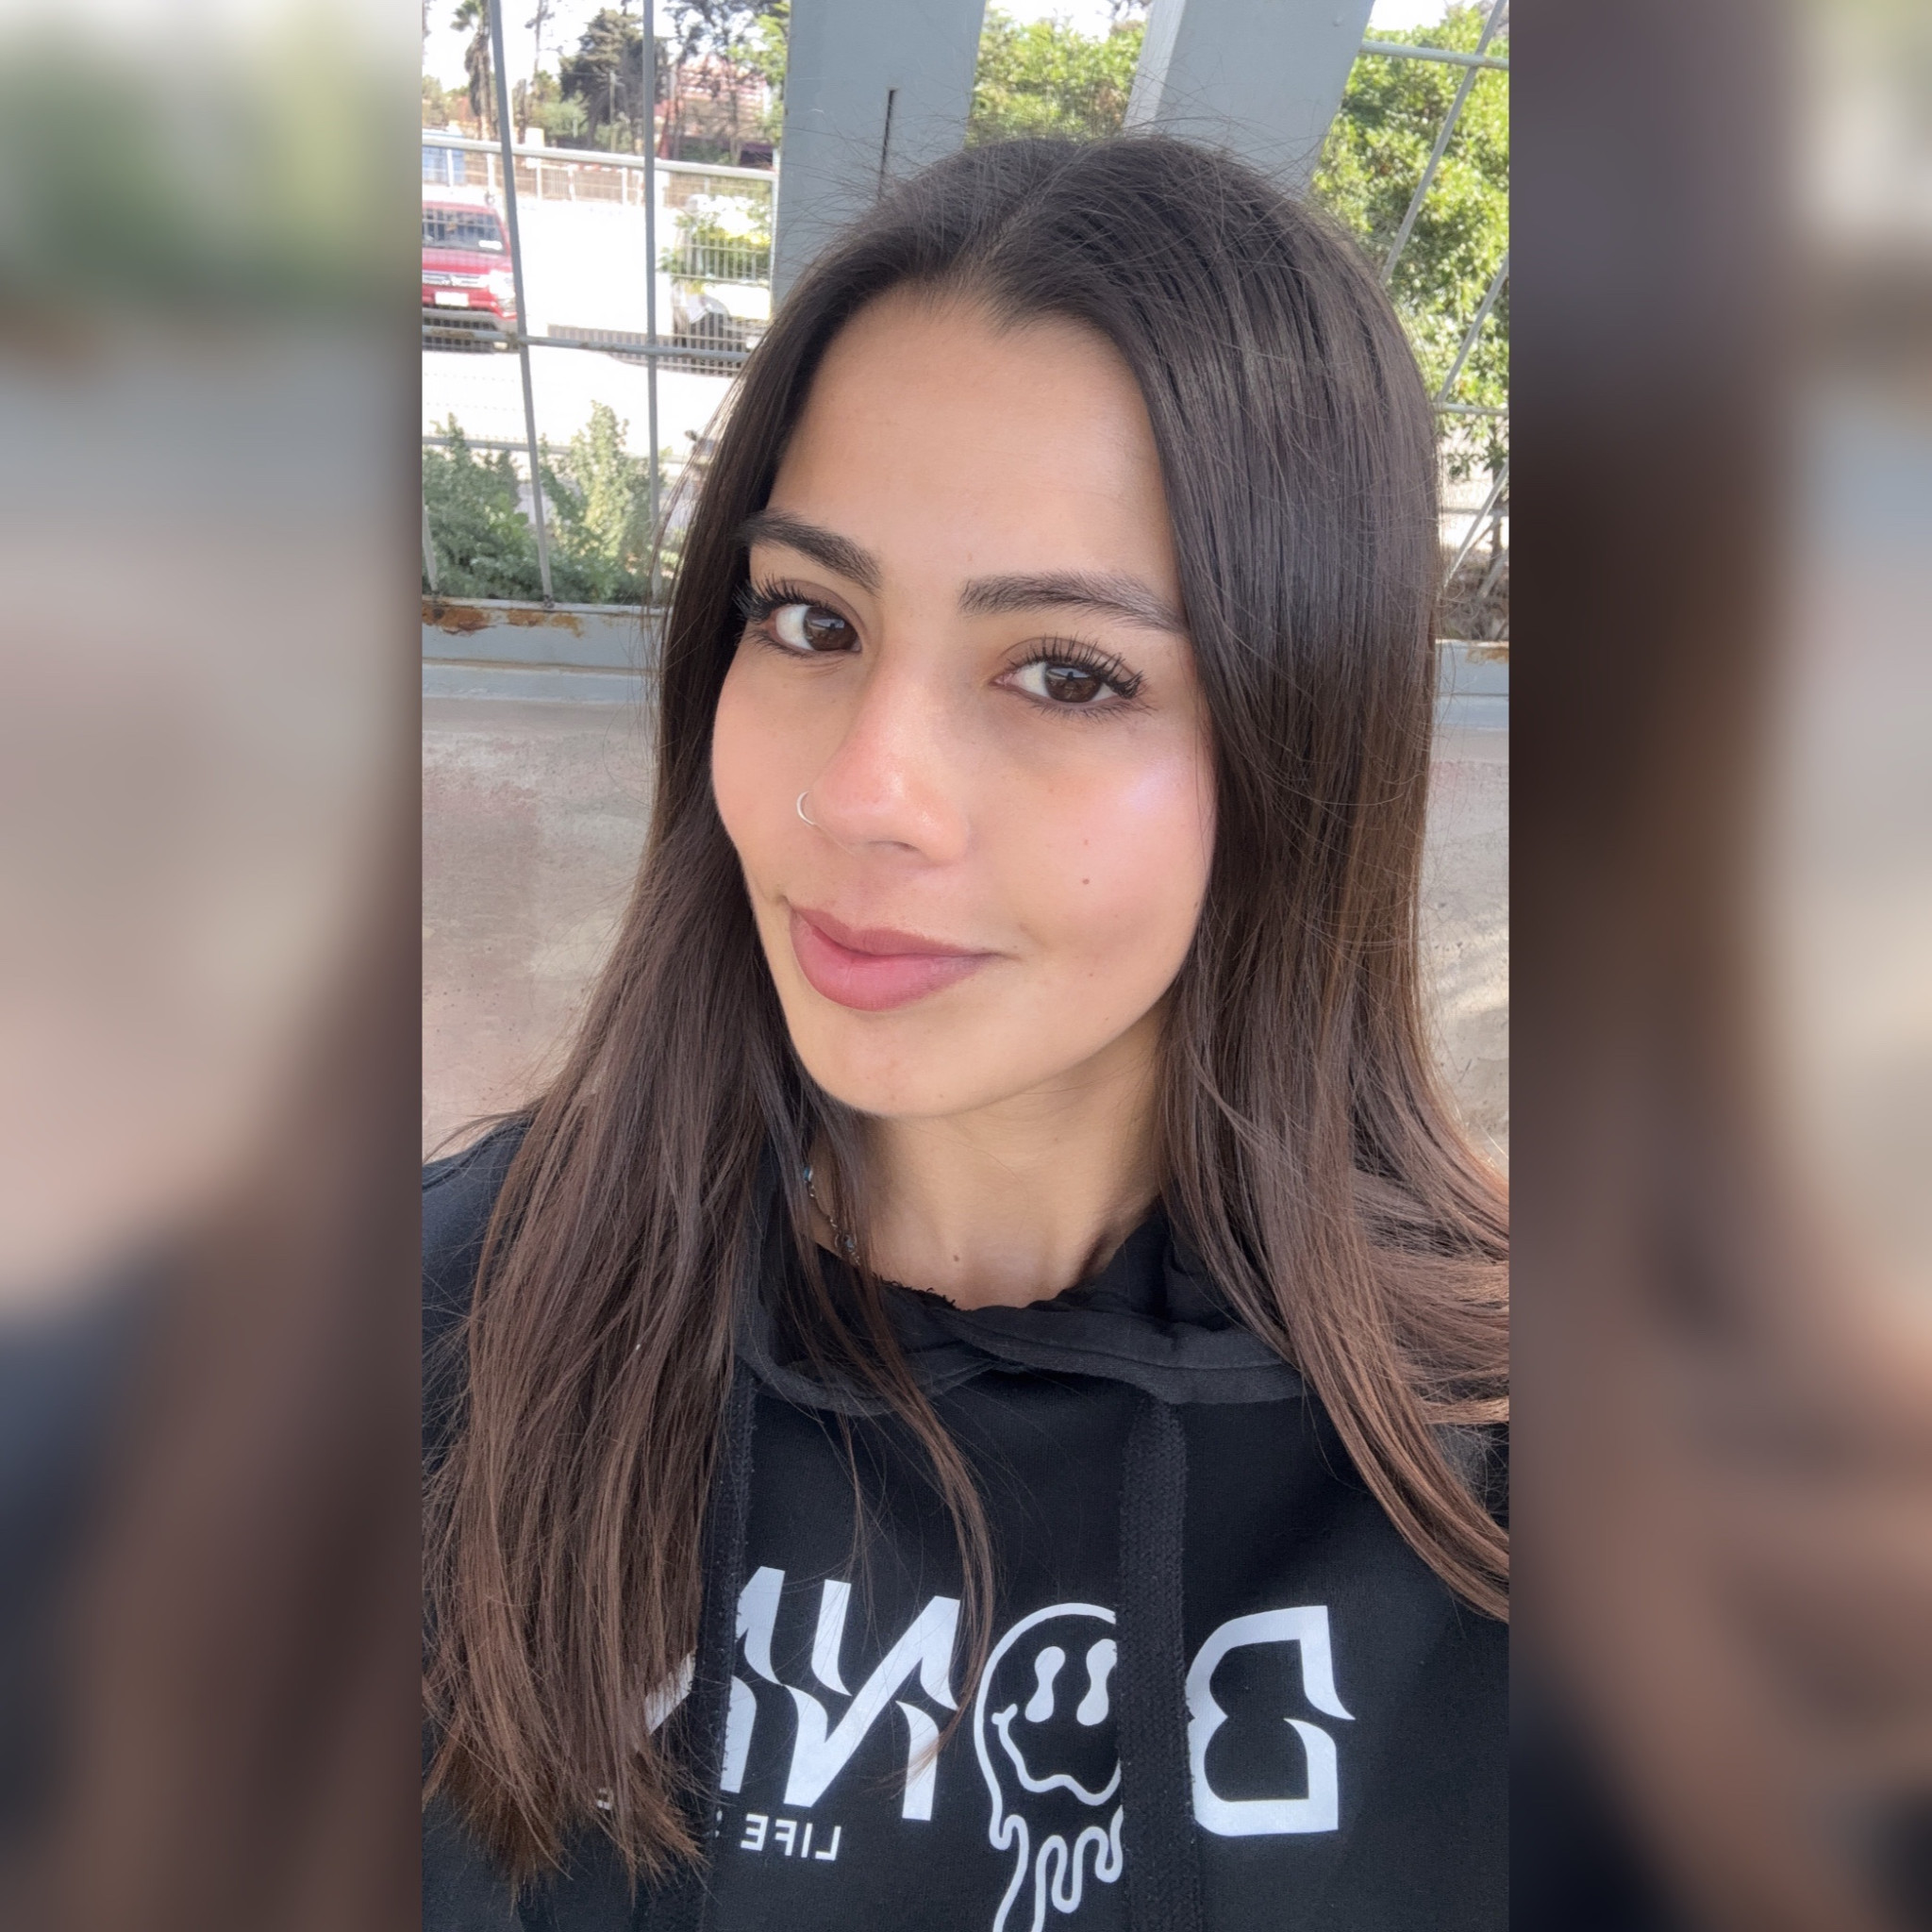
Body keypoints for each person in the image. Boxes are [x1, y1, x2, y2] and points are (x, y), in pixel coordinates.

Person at [424, 135, 1507, 1931]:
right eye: (811, 619)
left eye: (1068, 672)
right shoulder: (439, 1342)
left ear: (1306, 739)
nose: (865, 793)